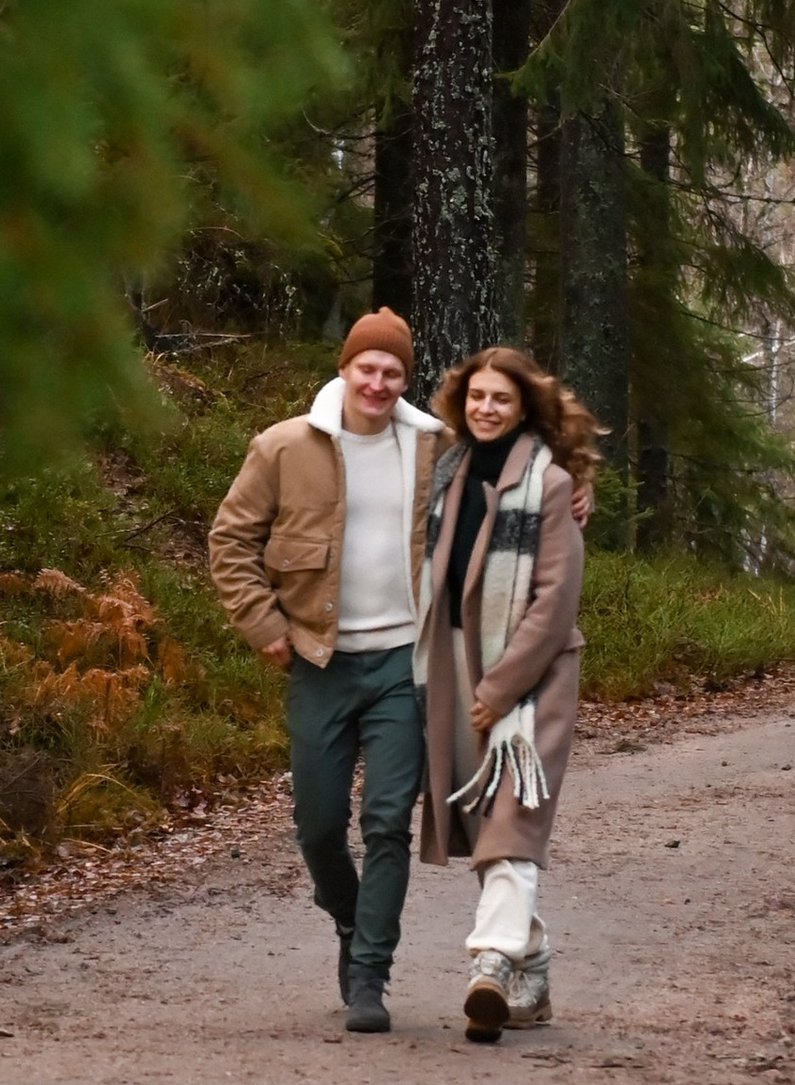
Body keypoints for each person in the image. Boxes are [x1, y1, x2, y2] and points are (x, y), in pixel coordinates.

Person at [208, 312, 448, 1033]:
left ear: (407, 381)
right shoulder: (284, 446)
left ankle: (371, 975)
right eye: (367, 368)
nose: (378, 383)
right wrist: (264, 625)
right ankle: (348, 918)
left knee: (387, 823)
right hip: (320, 661)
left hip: (406, 664)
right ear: (345, 368)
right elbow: (230, 540)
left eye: (393, 373)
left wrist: (573, 490)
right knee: (317, 826)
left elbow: (511, 479)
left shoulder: (437, 448)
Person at [417, 344, 599, 1039]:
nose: (487, 408)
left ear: (524, 407)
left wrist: (501, 688)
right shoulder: (447, 470)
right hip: (455, 666)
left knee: (514, 822)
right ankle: (535, 960)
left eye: (501, 398)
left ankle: (490, 964)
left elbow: (555, 602)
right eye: (477, 398)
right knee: (485, 825)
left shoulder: (550, 483)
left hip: (531, 678)